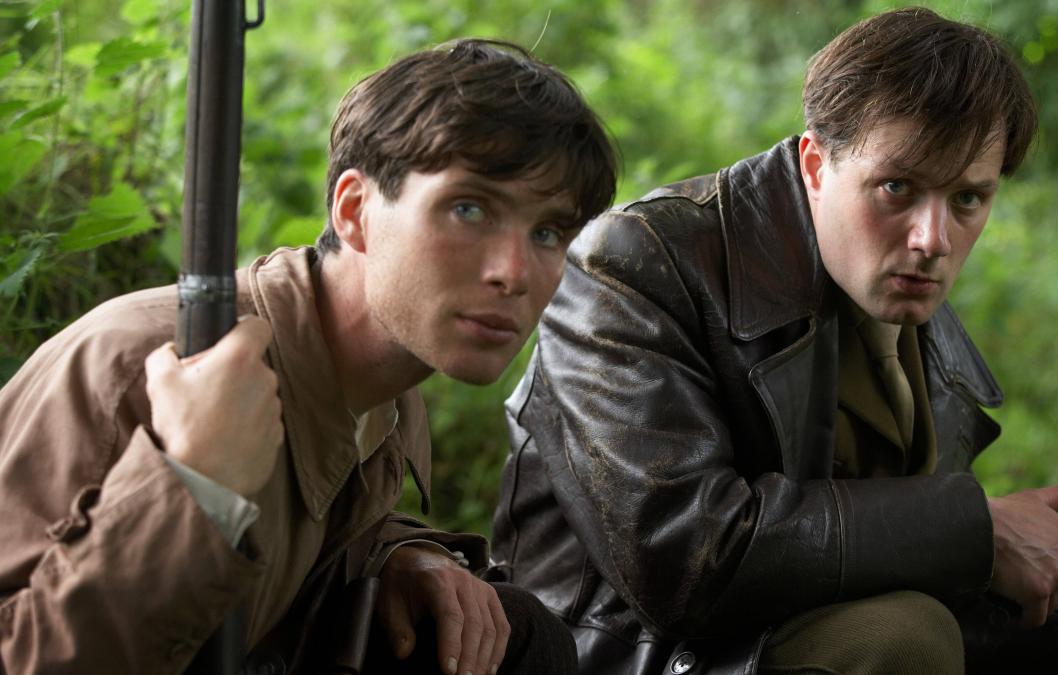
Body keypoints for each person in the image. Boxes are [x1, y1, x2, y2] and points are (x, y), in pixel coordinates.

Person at [490, 8, 1058, 674]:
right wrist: (975, 531)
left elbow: (873, 561)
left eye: (968, 199)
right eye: (896, 187)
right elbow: (682, 556)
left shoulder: (919, 329)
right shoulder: (636, 260)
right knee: (901, 639)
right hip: (614, 653)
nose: (933, 239)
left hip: (771, 637)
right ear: (816, 165)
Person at [0, 39, 616, 674]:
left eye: (547, 232)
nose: (513, 272)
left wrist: (398, 554)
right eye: (469, 209)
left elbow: (301, 524)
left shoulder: (388, 387)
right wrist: (193, 490)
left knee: (516, 633)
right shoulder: (141, 365)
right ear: (354, 212)